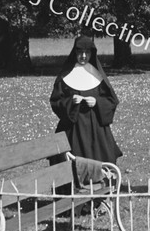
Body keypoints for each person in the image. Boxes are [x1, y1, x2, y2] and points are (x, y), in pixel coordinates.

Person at [50, 36, 122, 164]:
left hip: (96, 128)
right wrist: (70, 102)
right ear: (75, 53)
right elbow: (56, 101)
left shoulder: (97, 74)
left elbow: (111, 101)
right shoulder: (65, 76)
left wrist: (97, 102)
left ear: (92, 54)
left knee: (104, 158)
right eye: (80, 53)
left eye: (87, 52)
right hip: (72, 128)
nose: (83, 56)